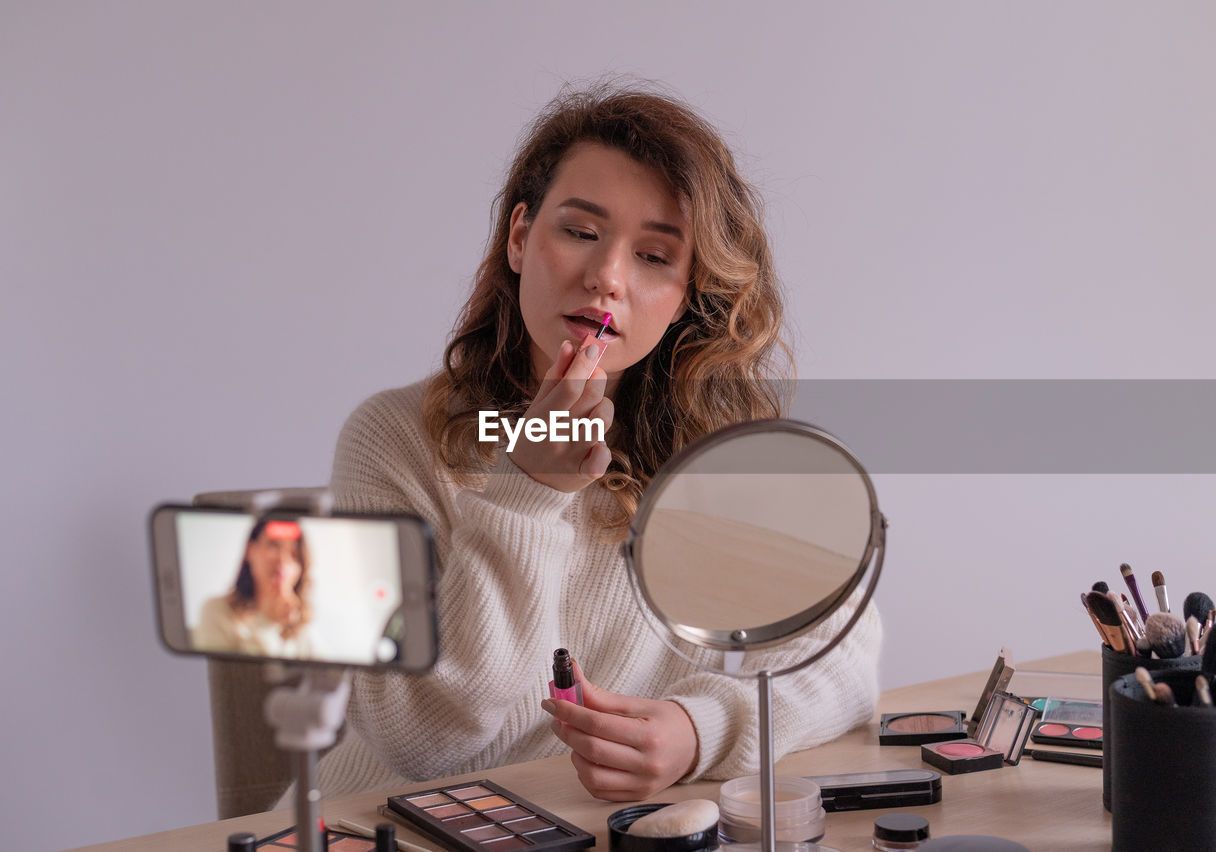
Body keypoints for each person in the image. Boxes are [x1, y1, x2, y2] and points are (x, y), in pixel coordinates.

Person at [310, 82, 882, 801]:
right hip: (386, 821)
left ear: (686, 295)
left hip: (597, 825)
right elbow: (423, 740)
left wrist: (696, 730)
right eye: (580, 232)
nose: (607, 277)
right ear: (521, 237)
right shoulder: (393, 439)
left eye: (653, 256)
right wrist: (527, 493)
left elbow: (844, 663)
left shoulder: (722, 452)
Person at [193, 518, 315, 658]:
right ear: (250, 551)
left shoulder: (302, 628)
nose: (283, 560)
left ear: (301, 569)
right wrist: (271, 620)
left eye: (294, 555)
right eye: (273, 545)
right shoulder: (217, 610)